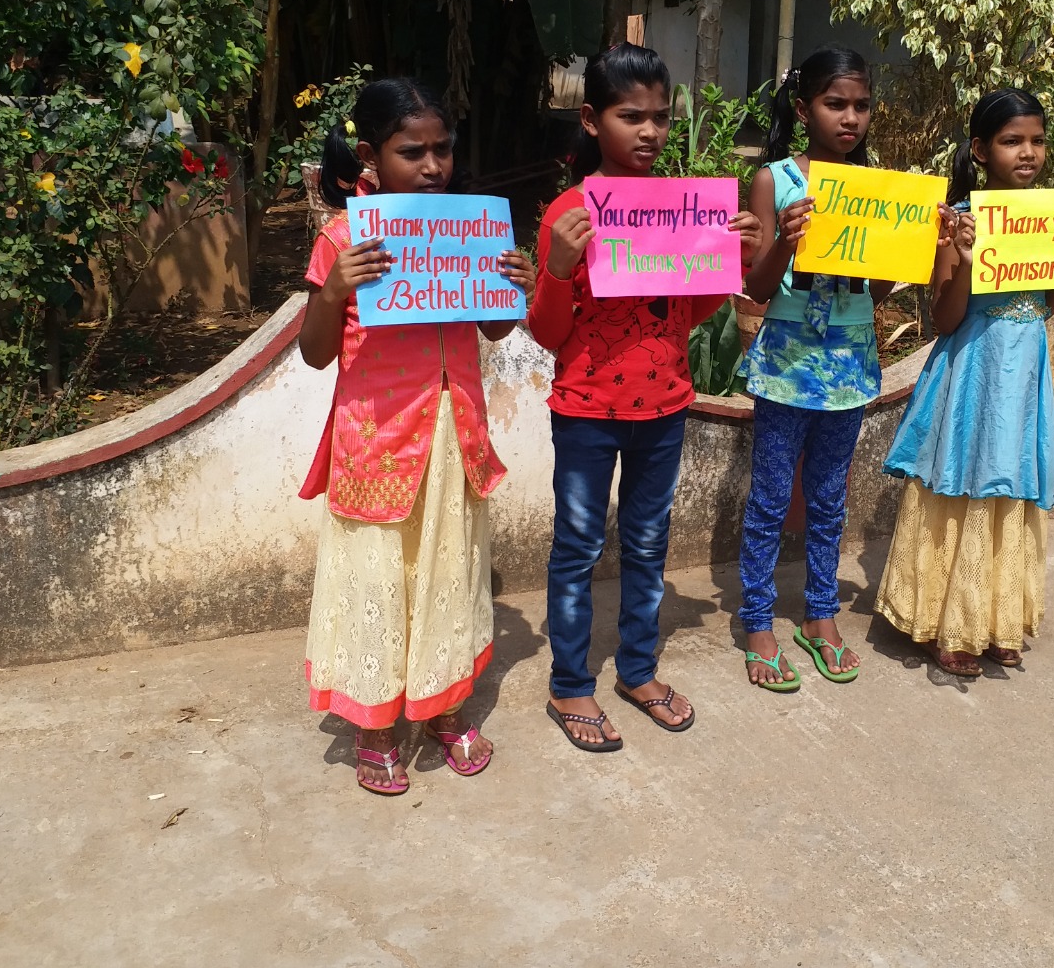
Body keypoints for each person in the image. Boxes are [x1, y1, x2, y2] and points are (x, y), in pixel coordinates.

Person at [297, 78, 536, 796]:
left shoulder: (469, 230)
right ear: (371, 155)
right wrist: (335, 290)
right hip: (375, 440)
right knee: (377, 575)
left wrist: (514, 284)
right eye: (412, 152)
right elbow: (315, 354)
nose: (433, 166)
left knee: (448, 572)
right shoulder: (344, 239)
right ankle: (375, 725)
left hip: (453, 434)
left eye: (443, 149)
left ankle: (443, 706)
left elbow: (494, 327)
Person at [529, 44, 761, 751]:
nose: (650, 131)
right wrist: (559, 267)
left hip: (664, 408)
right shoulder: (569, 213)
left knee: (649, 542)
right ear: (591, 119)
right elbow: (548, 333)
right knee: (577, 546)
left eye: (661, 116)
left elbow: (687, 315)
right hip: (585, 412)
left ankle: (637, 670)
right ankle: (570, 683)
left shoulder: (681, 208)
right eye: (631, 116)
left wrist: (732, 260)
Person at [875, 88, 1054, 677]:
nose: (1028, 153)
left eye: (1037, 141)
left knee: (1011, 478)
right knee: (965, 475)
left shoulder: (1053, 218)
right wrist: (963, 257)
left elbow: (1046, 304)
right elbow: (946, 318)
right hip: (973, 369)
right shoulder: (962, 219)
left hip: (1024, 369)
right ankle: (948, 621)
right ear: (981, 150)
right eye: (1011, 141)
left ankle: (996, 618)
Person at [736, 47, 899, 690]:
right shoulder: (774, 180)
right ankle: (756, 620)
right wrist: (786, 240)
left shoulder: (879, 190)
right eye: (836, 104)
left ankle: (820, 615)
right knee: (772, 497)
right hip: (786, 362)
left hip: (849, 364)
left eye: (861, 106)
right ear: (805, 110)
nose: (850, 118)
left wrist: (910, 247)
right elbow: (755, 286)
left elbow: (877, 291)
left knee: (830, 498)